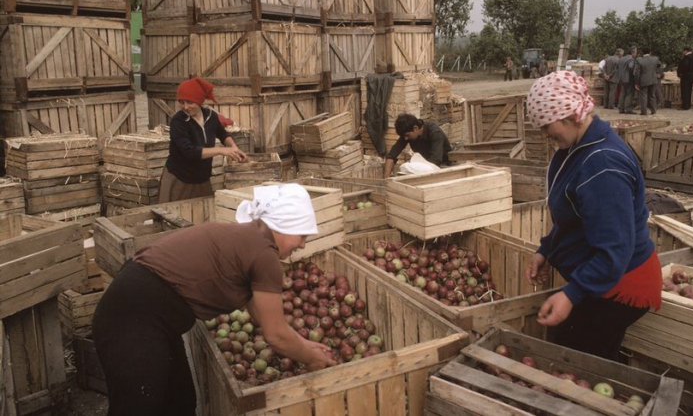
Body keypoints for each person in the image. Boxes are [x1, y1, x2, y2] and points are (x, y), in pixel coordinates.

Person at [92, 183, 338, 416]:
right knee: (138, 408)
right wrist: (312, 358)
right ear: (286, 225)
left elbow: (261, 317)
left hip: (148, 311)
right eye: (302, 235)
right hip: (133, 314)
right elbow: (276, 336)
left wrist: (303, 345)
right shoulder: (265, 256)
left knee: (179, 402)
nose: (303, 244)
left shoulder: (248, 239)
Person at [524, 71, 661, 362]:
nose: (545, 135)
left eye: (547, 127)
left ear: (571, 115)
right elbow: (575, 216)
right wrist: (547, 248)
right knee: (583, 349)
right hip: (602, 276)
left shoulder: (602, 166)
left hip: (621, 283)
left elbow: (615, 250)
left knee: (577, 358)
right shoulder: (577, 146)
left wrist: (573, 294)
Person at [158, 77, 247, 203]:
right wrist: (221, 151)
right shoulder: (178, 122)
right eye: (182, 102)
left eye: (190, 102)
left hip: (201, 179)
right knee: (176, 216)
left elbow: (223, 134)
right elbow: (189, 152)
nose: (185, 107)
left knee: (203, 216)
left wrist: (233, 147)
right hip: (180, 179)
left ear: (199, 101)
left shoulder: (211, 116)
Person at [383, 114, 451, 178]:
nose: (405, 138)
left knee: (405, 167)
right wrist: (386, 179)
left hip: (442, 166)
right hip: (425, 164)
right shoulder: (408, 134)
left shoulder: (434, 132)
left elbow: (435, 160)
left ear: (415, 128)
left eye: (407, 135)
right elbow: (392, 155)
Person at [634, 47, 661, 115]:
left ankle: (644, 111)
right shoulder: (655, 59)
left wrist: (636, 82)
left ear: (642, 53)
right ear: (650, 52)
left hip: (644, 80)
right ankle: (653, 110)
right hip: (653, 79)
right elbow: (659, 65)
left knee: (644, 96)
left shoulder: (640, 61)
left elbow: (637, 73)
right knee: (652, 95)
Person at [617, 46, 638, 114]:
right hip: (628, 78)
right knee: (629, 94)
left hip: (621, 78)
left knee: (622, 93)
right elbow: (631, 67)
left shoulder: (621, 59)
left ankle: (621, 108)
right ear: (633, 53)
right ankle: (628, 108)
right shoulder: (631, 60)